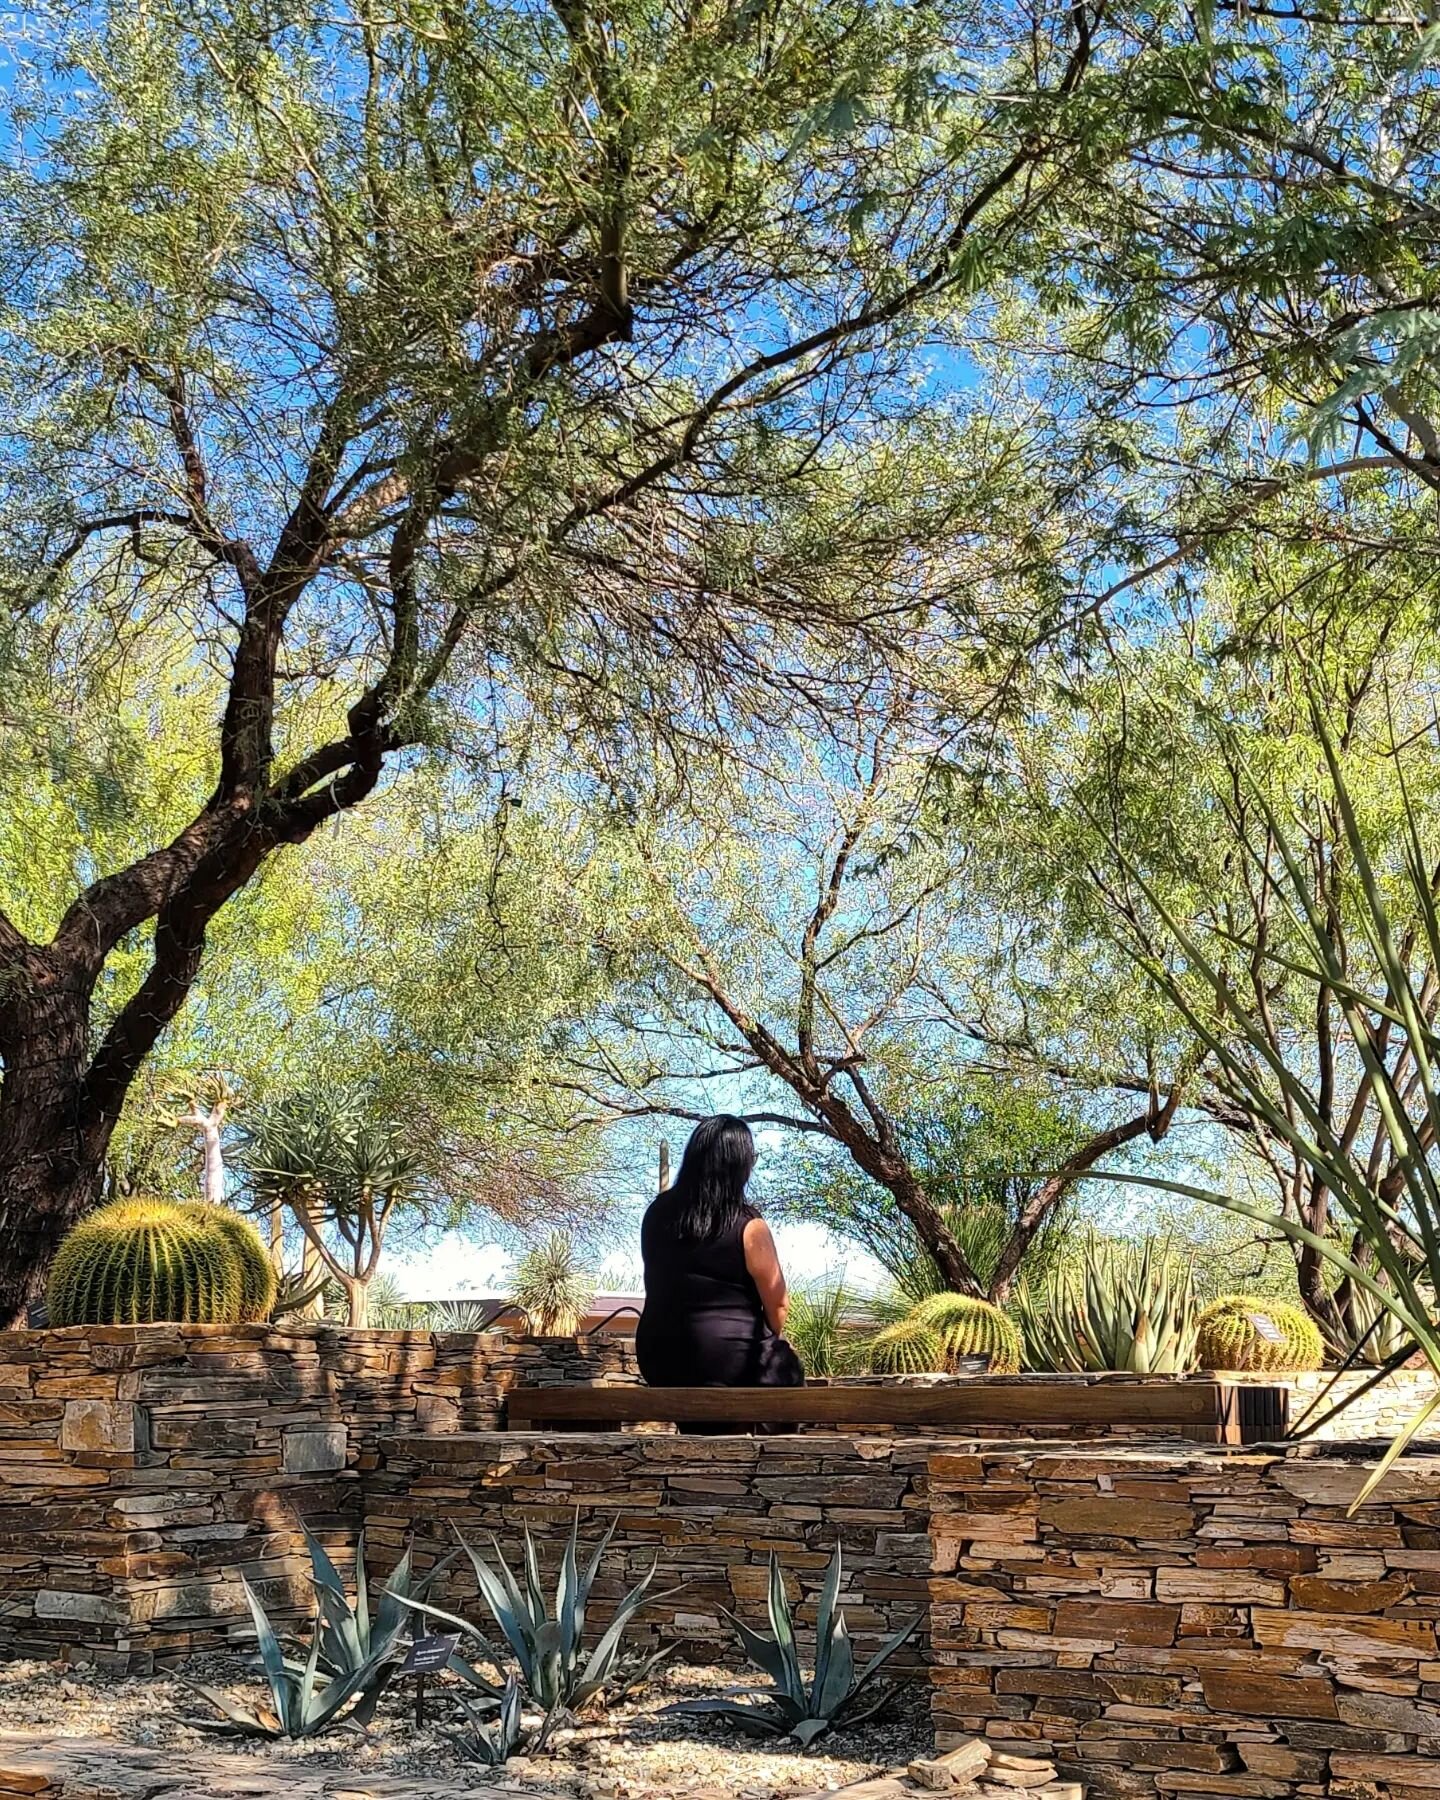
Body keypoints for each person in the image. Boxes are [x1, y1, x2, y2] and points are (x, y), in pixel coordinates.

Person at [635, 1115, 804, 1413]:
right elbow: (778, 1306)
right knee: (786, 1370)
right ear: (739, 1164)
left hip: (659, 1358)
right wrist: (771, 1342)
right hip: (730, 1360)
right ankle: (767, 1457)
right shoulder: (749, 1225)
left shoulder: (656, 1214)